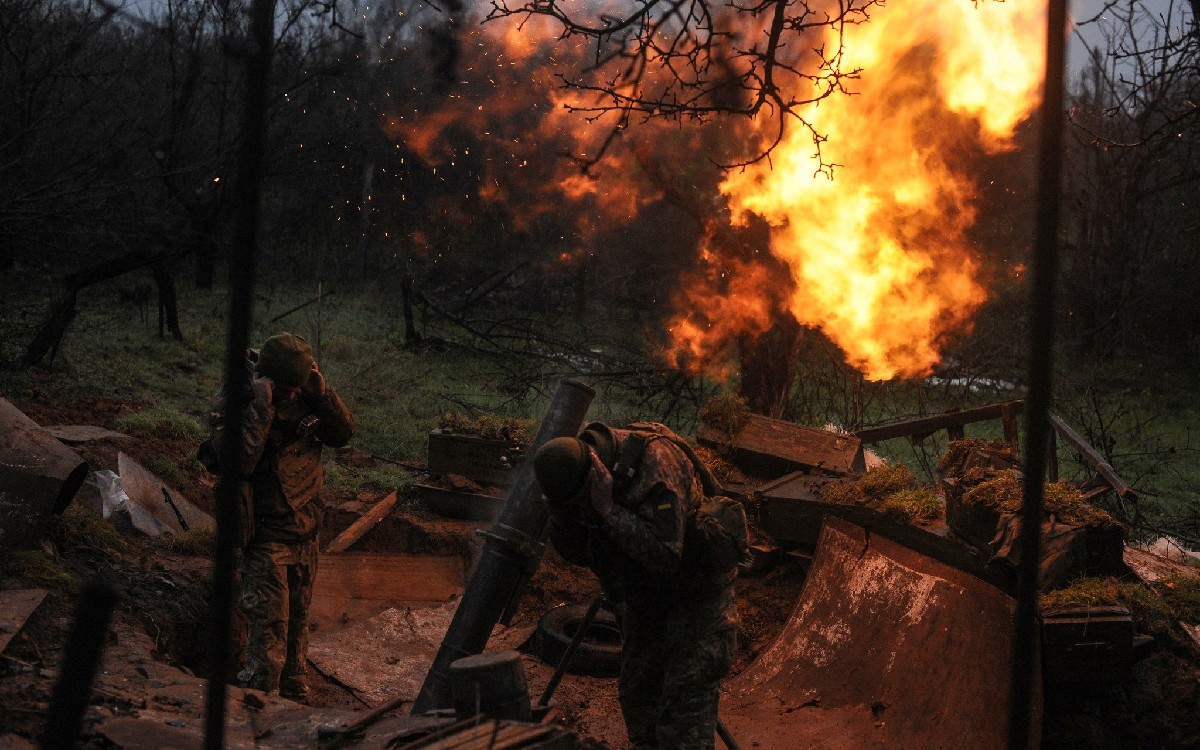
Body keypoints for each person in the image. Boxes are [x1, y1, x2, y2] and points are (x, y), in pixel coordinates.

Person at [533, 423, 738, 750]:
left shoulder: (655, 466)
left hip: (697, 605)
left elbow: (665, 557)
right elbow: (582, 552)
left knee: (682, 728)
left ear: (596, 472)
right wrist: (560, 519)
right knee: (640, 710)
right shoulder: (573, 475)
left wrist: (608, 511)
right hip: (646, 603)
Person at [208, 332, 355, 700]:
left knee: (299, 618)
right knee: (269, 624)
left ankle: (294, 687)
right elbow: (239, 461)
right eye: (285, 388)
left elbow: (343, 435)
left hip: (306, 526)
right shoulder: (239, 399)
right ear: (268, 378)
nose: (292, 395)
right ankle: (260, 699)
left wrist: (323, 397)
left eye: (297, 387)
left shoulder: (308, 393)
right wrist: (262, 405)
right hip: (266, 532)